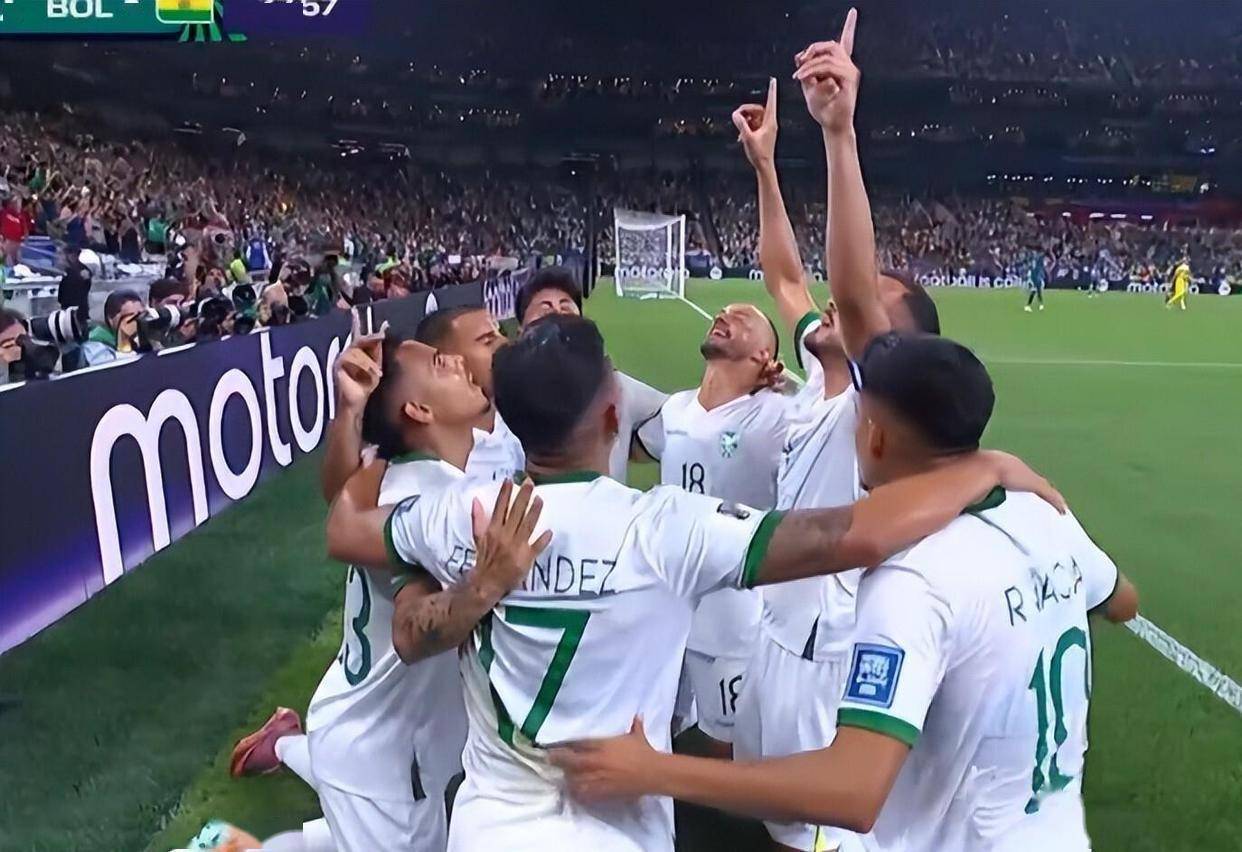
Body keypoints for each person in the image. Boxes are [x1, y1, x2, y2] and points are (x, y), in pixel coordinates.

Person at [324, 313, 1062, 852]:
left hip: (491, 825)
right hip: (618, 827)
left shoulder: (462, 515)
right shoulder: (664, 528)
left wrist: (359, 428)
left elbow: (345, 527)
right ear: (613, 413)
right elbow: (853, 534)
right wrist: (980, 468)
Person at [551, 333, 1138, 852]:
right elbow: (1121, 601)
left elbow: (852, 791)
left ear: (874, 435)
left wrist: (653, 771)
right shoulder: (1043, 512)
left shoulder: (912, 578)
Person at [729, 15, 941, 851]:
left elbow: (848, 294)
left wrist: (839, 134)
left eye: (870, 308)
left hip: (827, 654)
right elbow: (785, 275)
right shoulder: (819, 388)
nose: (840, 302)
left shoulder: (871, 403)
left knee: (817, 837)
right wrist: (765, 168)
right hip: (773, 634)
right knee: (768, 827)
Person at [232, 316, 541, 852]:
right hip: (386, 753)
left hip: (378, 732)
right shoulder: (423, 503)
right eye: (441, 363)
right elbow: (413, 621)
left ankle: (282, 747)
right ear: (418, 410)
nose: (459, 364)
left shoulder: (417, 473)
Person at [635, 302, 788, 755]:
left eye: (743, 318)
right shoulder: (676, 409)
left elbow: (835, 417)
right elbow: (635, 447)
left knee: (729, 743)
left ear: (764, 355)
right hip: (664, 604)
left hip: (730, 617)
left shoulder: (775, 416)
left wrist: (790, 384)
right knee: (653, 723)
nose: (724, 315)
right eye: (723, 311)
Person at [515, 266, 668, 482]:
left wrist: (633, 441)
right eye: (546, 310)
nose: (558, 314)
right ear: (520, 333)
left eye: (566, 308)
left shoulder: (617, 388)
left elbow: (679, 418)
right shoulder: (501, 396)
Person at [413, 305, 526, 481]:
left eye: (501, 333)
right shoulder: (425, 473)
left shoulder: (521, 419)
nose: (504, 342)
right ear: (446, 362)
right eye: (487, 341)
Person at [81, 289, 143, 366]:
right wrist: (123, 336)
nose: (137, 321)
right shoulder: (94, 345)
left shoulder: (141, 337)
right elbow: (105, 365)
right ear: (111, 319)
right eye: (131, 316)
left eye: (140, 315)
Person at [57, 246, 93, 314]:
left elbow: (87, 286)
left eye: (73, 254)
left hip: (78, 306)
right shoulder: (67, 269)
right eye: (68, 254)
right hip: (66, 306)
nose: (71, 257)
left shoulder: (83, 270)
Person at [1, 196, 29, 268]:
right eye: (17, 203)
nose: (19, 205)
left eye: (20, 203)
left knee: (18, 263)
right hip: (7, 242)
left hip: (17, 242)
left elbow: (25, 229)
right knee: (8, 263)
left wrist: (26, 239)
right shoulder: (4, 213)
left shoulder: (20, 215)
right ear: (11, 204)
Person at [1025, 248, 1047, 313]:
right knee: (1034, 291)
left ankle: (1040, 305)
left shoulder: (1034, 259)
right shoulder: (1039, 259)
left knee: (1038, 291)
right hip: (1035, 277)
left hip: (1036, 277)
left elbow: (1037, 268)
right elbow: (1040, 268)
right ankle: (1028, 306)